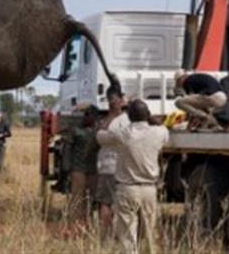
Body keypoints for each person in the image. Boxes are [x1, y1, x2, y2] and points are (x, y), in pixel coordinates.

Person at [95, 99, 169, 254]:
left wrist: (113, 115)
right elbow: (164, 130)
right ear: (147, 114)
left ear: (128, 116)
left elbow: (100, 136)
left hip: (127, 188)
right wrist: (152, 119)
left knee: (128, 237)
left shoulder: (123, 134)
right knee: (149, 234)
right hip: (149, 189)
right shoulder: (158, 133)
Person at [95, 87, 126, 237]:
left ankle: (105, 236)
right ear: (121, 100)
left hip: (107, 168)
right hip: (124, 170)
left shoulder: (104, 123)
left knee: (105, 203)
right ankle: (119, 235)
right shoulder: (127, 121)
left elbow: (100, 135)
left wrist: (112, 114)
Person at [67, 108, 98, 225]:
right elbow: (67, 150)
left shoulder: (97, 131)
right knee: (77, 197)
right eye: (86, 115)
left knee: (90, 198)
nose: (87, 118)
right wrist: (67, 168)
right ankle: (75, 223)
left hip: (92, 170)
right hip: (78, 169)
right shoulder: (76, 131)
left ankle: (87, 222)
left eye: (90, 116)